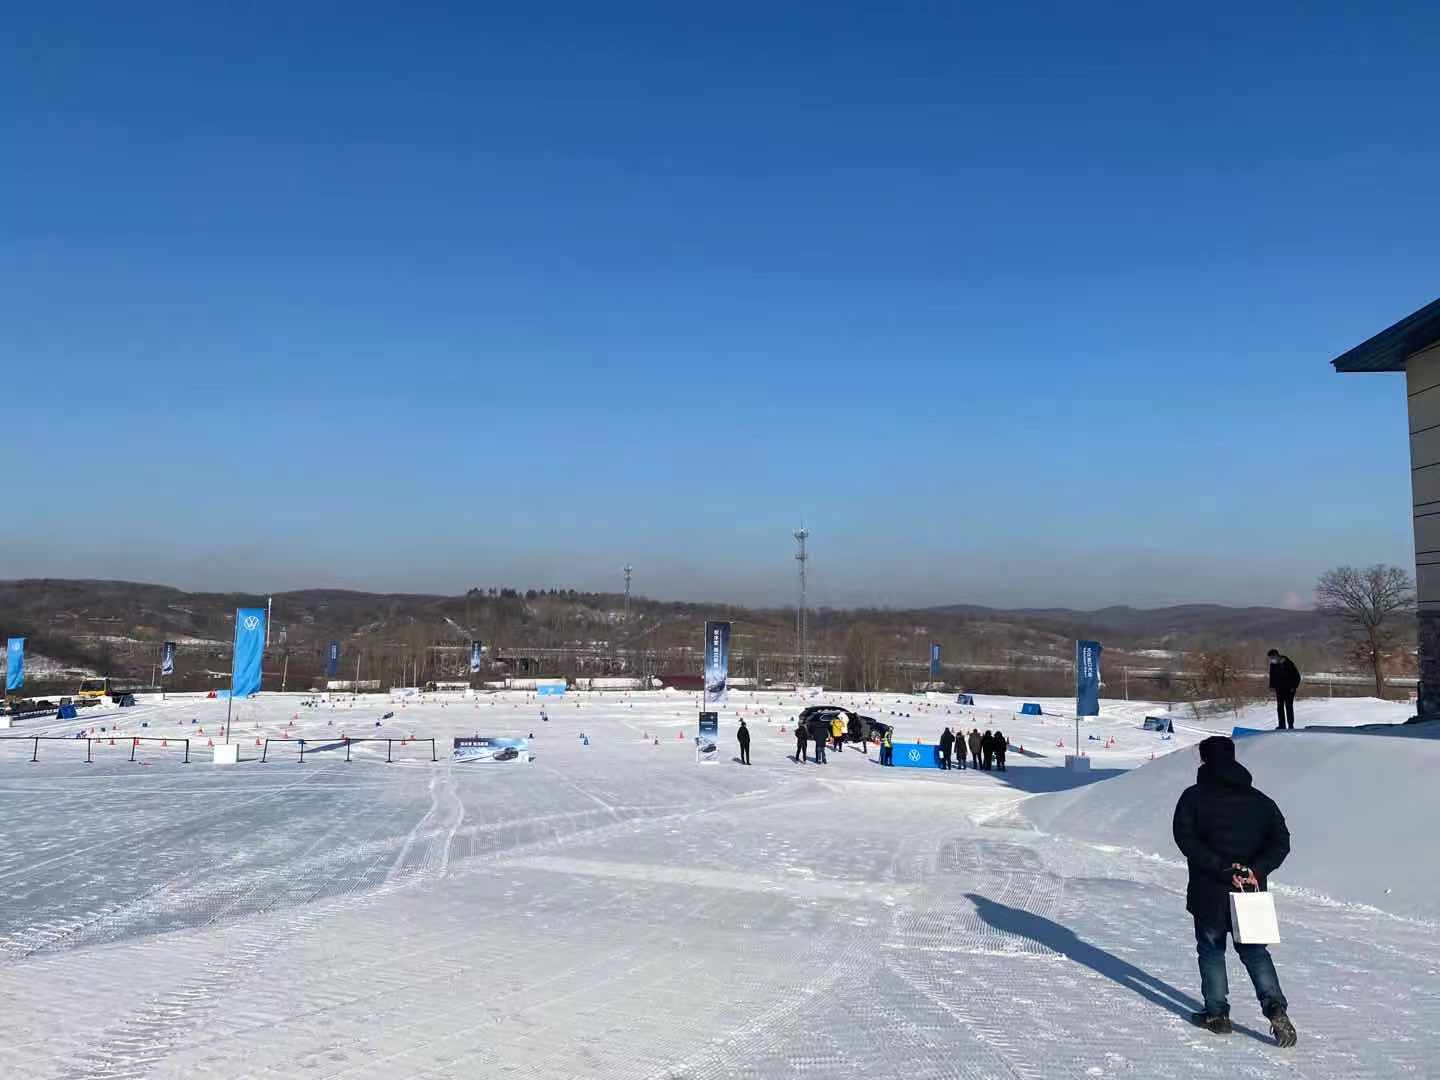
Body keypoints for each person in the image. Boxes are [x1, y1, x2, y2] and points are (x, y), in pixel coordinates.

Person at [1172, 735, 1297, 1047]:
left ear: (1204, 761)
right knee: (1255, 952)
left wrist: (1221, 867)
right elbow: (1281, 841)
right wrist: (1255, 869)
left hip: (1209, 891)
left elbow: (1186, 839)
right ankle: (1276, 1009)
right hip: (1250, 892)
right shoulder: (1261, 801)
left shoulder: (1193, 797)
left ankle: (1217, 1014)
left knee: (1212, 951)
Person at [1267, 649, 1301, 730]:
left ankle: (1290, 726)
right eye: (1270, 658)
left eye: (1272, 657)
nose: (1271, 659)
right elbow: (1272, 676)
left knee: (1288, 706)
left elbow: (1297, 676)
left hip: (1289, 689)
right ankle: (1281, 725)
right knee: (1280, 707)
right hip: (1279, 689)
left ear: (1276, 655)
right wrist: (1271, 687)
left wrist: (1294, 687)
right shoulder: (1273, 664)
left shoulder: (1287, 662)